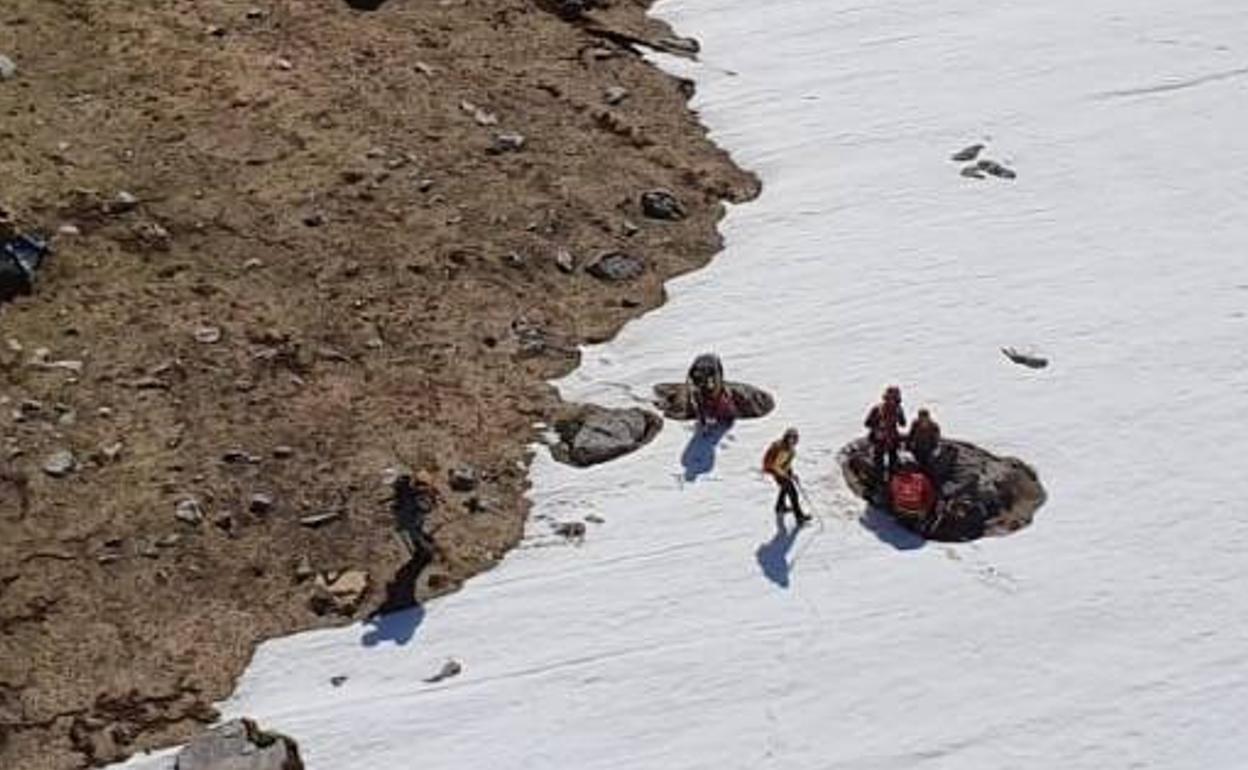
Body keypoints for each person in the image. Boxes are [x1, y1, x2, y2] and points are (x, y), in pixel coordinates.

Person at [763, 427, 809, 525]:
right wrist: (786, 476)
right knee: (793, 493)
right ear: (787, 438)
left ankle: (780, 506)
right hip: (776, 471)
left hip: (781, 471)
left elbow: (786, 463)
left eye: (795, 438)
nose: (793, 440)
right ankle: (799, 517)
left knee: (785, 488)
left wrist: (791, 473)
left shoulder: (789, 448)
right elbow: (775, 466)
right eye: (791, 438)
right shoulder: (782, 449)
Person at [864, 386, 906, 479]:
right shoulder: (877, 409)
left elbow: (903, 423)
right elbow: (867, 423)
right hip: (880, 439)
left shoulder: (898, 409)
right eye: (890, 398)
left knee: (893, 462)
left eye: (894, 399)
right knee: (879, 462)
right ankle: (879, 481)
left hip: (892, 438)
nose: (892, 401)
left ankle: (892, 481)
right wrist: (877, 427)